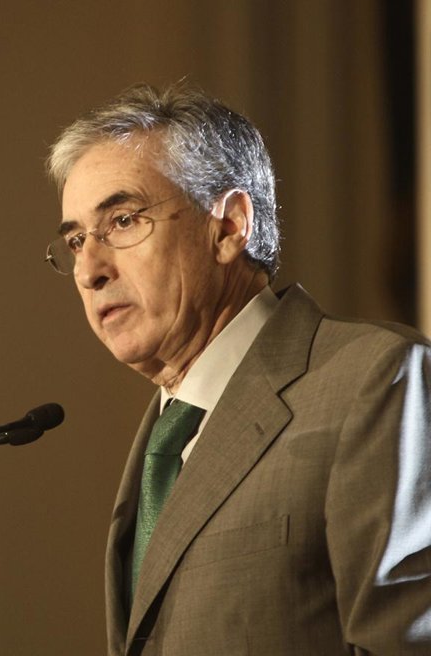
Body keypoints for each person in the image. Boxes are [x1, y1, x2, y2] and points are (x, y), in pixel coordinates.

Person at [44, 82, 431, 655]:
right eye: (77, 240)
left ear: (228, 228)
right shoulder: (164, 439)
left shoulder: (374, 381)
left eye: (122, 221)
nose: (88, 270)